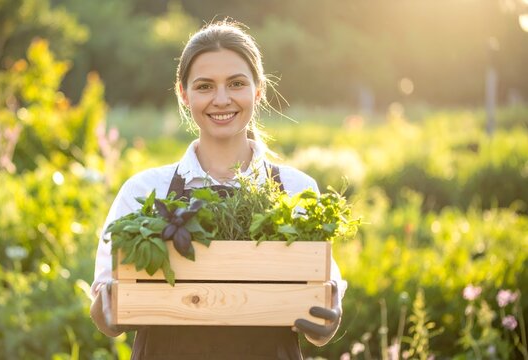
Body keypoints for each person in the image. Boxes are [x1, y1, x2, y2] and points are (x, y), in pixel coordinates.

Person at [90, 20, 346, 359]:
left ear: (258, 90)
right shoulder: (144, 190)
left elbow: (322, 316)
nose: (221, 99)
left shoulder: (297, 190)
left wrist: (326, 320)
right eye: (205, 86)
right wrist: (111, 310)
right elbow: (103, 307)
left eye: (236, 83)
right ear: (184, 94)